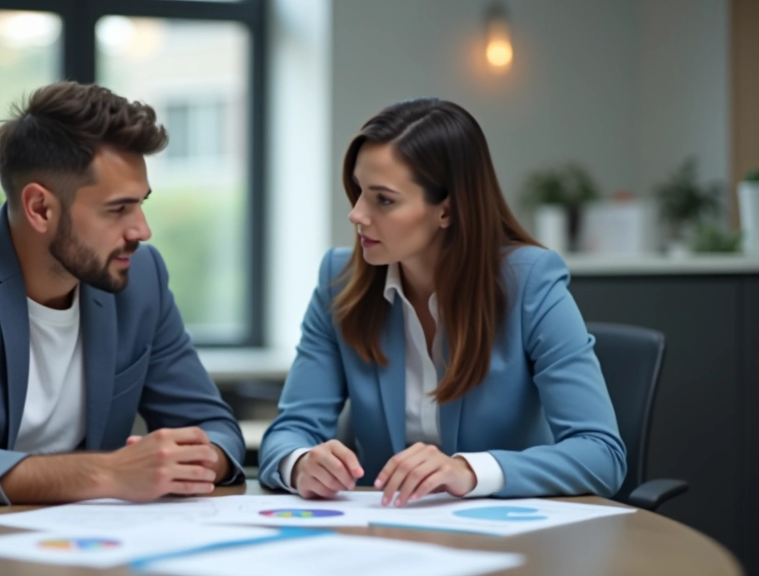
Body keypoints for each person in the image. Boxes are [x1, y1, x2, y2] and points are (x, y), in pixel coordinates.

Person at [0, 81, 246, 520]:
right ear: (40, 208)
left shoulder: (140, 277)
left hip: (76, 544)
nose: (141, 231)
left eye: (141, 204)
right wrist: (107, 473)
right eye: (117, 209)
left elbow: (215, 429)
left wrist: (193, 458)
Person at [259, 98, 626, 506]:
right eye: (359, 191)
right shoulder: (338, 281)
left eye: (383, 199)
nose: (357, 214)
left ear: (446, 210)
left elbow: (602, 455)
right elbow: (288, 431)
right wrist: (301, 461)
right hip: (385, 539)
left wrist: (469, 471)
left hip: (511, 539)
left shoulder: (531, 283)